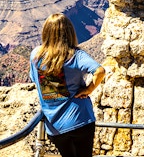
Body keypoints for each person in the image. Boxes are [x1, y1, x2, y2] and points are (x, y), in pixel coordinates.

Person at [29, 13, 106, 157]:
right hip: (80, 119)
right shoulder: (75, 55)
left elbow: (35, 80)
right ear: (70, 32)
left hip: (55, 125)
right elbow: (100, 70)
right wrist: (88, 89)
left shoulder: (35, 55)